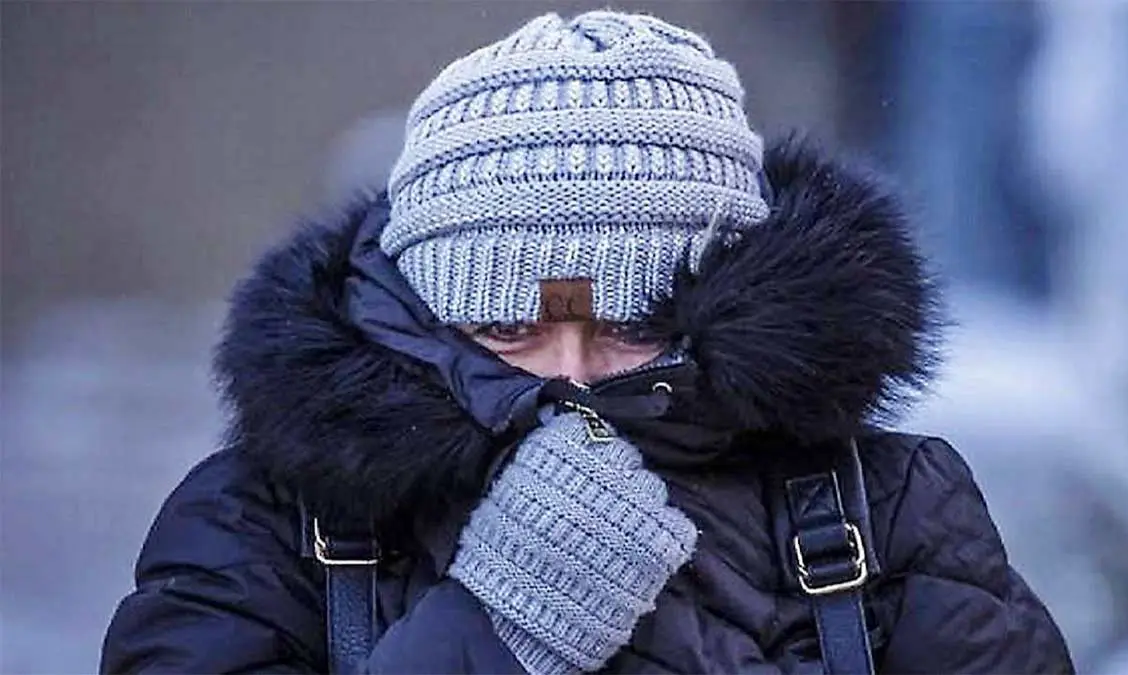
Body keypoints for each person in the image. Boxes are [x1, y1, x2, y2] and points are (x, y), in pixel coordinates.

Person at [100, 10, 1074, 674]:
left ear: (731, 303)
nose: (570, 378)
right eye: (510, 329)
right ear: (424, 313)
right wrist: (496, 624)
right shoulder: (268, 523)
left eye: (632, 327)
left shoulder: (884, 510)